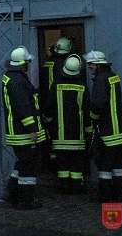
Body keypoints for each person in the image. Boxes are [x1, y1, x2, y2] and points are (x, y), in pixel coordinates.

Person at [0, 45, 47, 210]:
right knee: (28, 167)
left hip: (17, 131)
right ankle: (26, 201)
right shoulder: (18, 82)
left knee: (23, 162)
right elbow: (23, 108)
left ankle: (11, 192)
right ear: (22, 63)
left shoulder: (11, 78)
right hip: (23, 133)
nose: (29, 64)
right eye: (27, 61)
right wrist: (32, 129)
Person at [43, 54, 93, 194]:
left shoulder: (56, 85)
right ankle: (76, 188)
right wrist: (89, 130)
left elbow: (49, 107)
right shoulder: (82, 86)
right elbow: (87, 110)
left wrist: (48, 124)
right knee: (77, 163)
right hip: (78, 135)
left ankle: (64, 187)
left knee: (62, 163)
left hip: (59, 135)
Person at [83, 50, 122, 203]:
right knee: (118, 165)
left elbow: (98, 104)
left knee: (104, 166)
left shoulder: (101, 80)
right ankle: (119, 193)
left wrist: (92, 118)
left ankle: (105, 195)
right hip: (119, 130)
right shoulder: (113, 76)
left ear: (98, 64)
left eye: (91, 64)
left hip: (107, 131)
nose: (89, 67)